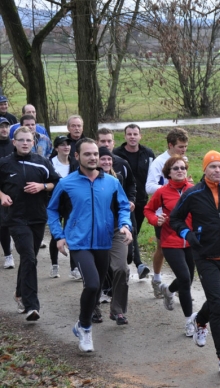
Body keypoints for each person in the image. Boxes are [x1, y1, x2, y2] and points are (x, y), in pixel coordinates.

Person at [169, 150, 220, 373]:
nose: (217, 170)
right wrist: (187, 234)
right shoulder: (193, 194)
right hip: (204, 255)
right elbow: (175, 218)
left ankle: (200, 320)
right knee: (218, 305)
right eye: (213, 166)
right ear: (204, 169)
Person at [47, 139, 132, 352]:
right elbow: (52, 210)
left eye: (95, 154)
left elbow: (123, 206)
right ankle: (85, 328)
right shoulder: (67, 184)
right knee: (93, 285)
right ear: (77, 156)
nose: (93, 157)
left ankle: (81, 324)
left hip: (103, 242)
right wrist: (59, 235)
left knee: (98, 286)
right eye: (88, 154)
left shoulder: (112, 182)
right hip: (78, 242)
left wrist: (125, 224)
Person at [0, 126, 60, 320]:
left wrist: (42, 186)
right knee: (29, 257)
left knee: (29, 259)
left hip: (37, 217)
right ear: (14, 142)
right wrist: (2, 195)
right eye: (21, 140)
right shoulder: (5, 163)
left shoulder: (42, 162)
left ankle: (19, 293)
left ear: (33, 143)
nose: (25, 143)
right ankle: (32, 305)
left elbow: (55, 182)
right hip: (15, 218)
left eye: (28, 140)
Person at [144, 155, 195, 335]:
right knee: (185, 279)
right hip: (170, 241)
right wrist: (155, 220)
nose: (180, 171)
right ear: (168, 173)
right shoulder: (162, 192)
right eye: (175, 168)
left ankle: (168, 289)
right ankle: (190, 321)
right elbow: (148, 209)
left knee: (188, 278)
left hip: (190, 241)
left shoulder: (193, 190)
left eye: (182, 167)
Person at [145, 128, 189, 297]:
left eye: (185, 147)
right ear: (170, 145)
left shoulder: (182, 160)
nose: (183, 150)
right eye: (180, 147)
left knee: (184, 249)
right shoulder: (159, 162)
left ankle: (182, 284)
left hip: (182, 213)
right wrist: (169, 189)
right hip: (162, 214)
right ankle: (156, 279)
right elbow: (148, 186)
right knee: (162, 249)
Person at [113, 124, 155, 283]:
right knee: (132, 228)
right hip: (124, 200)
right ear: (125, 136)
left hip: (142, 199)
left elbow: (154, 174)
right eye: (129, 134)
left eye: (135, 134)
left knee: (134, 230)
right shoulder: (116, 154)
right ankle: (137, 263)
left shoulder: (148, 153)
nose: (132, 137)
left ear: (140, 136)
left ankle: (128, 255)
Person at [97, 146, 132, 325]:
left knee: (121, 268)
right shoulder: (83, 181)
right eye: (102, 159)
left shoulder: (115, 180)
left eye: (109, 159)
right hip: (94, 232)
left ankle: (117, 310)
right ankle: (93, 306)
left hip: (116, 230)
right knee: (96, 272)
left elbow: (123, 204)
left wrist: (126, 224)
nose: (106, 162)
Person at [48, 136, 79, 279]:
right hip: (54, 201)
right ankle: (55, 265)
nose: (66, 147)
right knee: (56, 234)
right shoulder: (50, 163)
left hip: (70, 203)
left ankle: (74, 268)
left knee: (71, 232)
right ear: (56, 148)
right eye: (62, 145)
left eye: (68, 144)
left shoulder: (75, 163)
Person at [0, 117, 15, 269]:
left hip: (15, 187)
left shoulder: (14, 145)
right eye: (1, 127)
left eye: (6, 126)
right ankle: (8, 255)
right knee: (3, 224)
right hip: (1, 190)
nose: (4, 129)